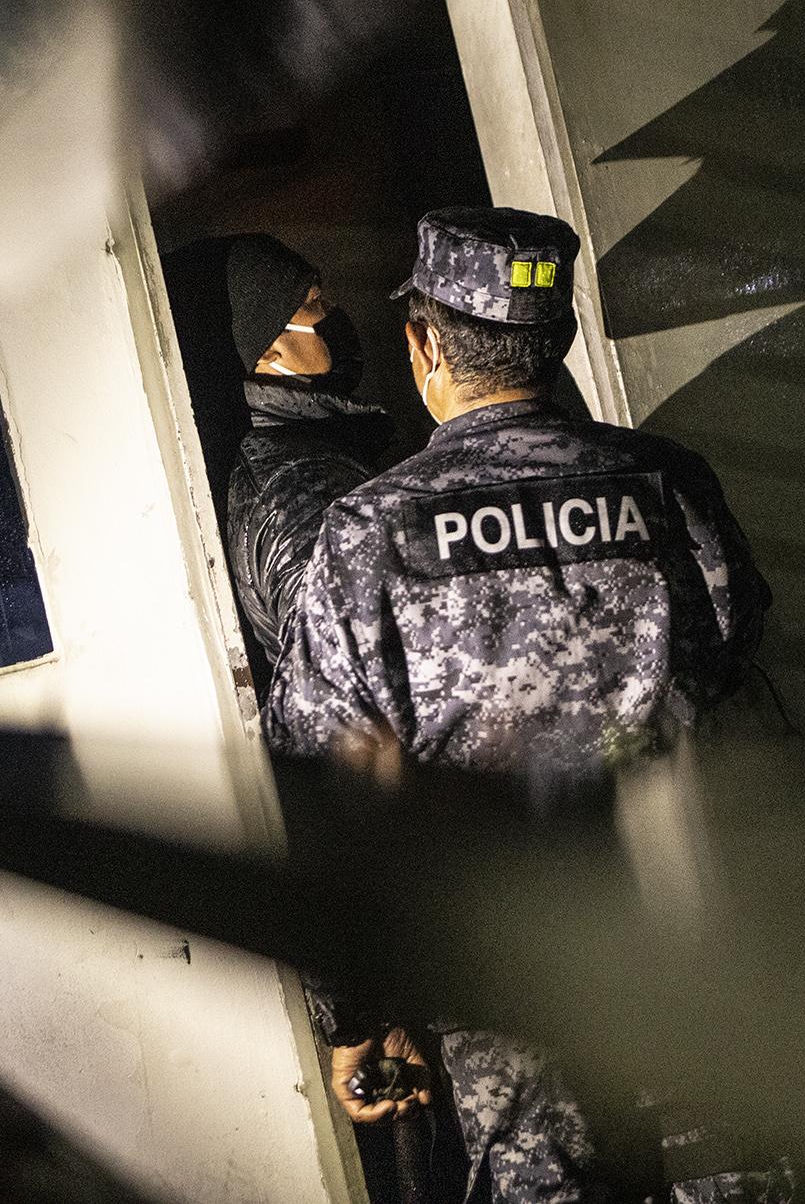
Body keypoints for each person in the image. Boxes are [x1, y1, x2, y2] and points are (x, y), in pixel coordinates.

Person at [265, 206, 771, 1202]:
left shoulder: (366, 532)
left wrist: (357, 1018)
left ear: (422, 343)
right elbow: (729, 660)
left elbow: (329, 786)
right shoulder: (666, 483)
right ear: (563, 339)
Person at [160, 233, 393, 666]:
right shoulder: (301, 490)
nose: (331, 314)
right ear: (270, 347)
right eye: (315, 303)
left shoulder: (303, 454)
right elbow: (350, 679)